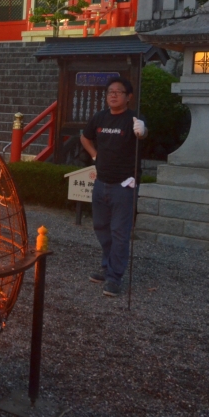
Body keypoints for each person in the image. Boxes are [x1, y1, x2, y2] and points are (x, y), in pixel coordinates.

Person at [80, 77, 147, 297]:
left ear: (128, 97)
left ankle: (114, 277)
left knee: (120, 231)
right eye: (110, 91)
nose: (113, 95)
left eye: (119, 92)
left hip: (124, 184)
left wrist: (142, 131)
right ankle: (107, 266)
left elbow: (144, 135)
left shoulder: (133, 119)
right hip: (101, 182)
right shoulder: (100, 117)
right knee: (101, 227)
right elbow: (85, 137)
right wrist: (94, 155)